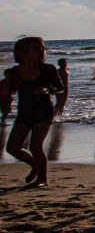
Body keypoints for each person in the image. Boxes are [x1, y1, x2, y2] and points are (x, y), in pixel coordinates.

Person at [3, 37, 64, 187]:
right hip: (24, 111)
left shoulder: (48, 69)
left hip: (43, 110)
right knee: (12, 147)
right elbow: (9, 92)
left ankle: (42, 179)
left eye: (43, 48)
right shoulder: (14, 72)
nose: (42, 51)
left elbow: (60, 88)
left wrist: (48, 89)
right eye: (37, 48)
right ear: (24, 53)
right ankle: (34, 166)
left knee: (36, 146)